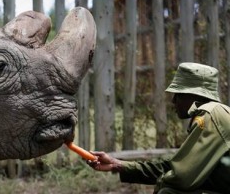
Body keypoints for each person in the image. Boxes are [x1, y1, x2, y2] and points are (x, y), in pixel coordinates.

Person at [87, 62, 230, 194]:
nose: (173, 100)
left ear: (194, 95)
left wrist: (160, 185)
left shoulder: (209, 115)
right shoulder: (217, 113)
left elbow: (180, 176)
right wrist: (117, 164)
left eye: (178, 94)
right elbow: (176, 166)